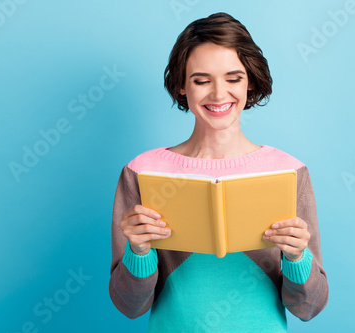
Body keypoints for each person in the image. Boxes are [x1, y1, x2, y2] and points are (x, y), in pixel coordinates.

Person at [109, 12, 328, 332]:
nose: (218, 93)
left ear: (250, 80)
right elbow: (129, 306)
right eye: (201, 80)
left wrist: (296, 258)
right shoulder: (142, 172)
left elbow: (310, 307)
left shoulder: (289, 172)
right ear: (182, 85)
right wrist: (139, 252)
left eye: (233, 78)